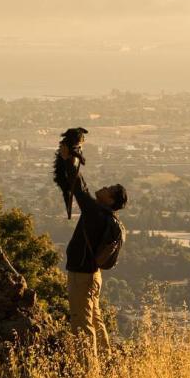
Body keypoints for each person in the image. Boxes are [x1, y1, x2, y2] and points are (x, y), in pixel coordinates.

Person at [59, 143, 127, 362]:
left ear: (111, 200)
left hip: (82, 275)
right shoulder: (108, 218)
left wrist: (70, 158)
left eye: (109, 189)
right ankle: (107, 365)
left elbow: (79, 187)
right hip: (94, 274)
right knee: (95, 320)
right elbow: (82, 188)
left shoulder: (95, 213)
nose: (105, 187)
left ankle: (88, 372)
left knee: (82, 323)